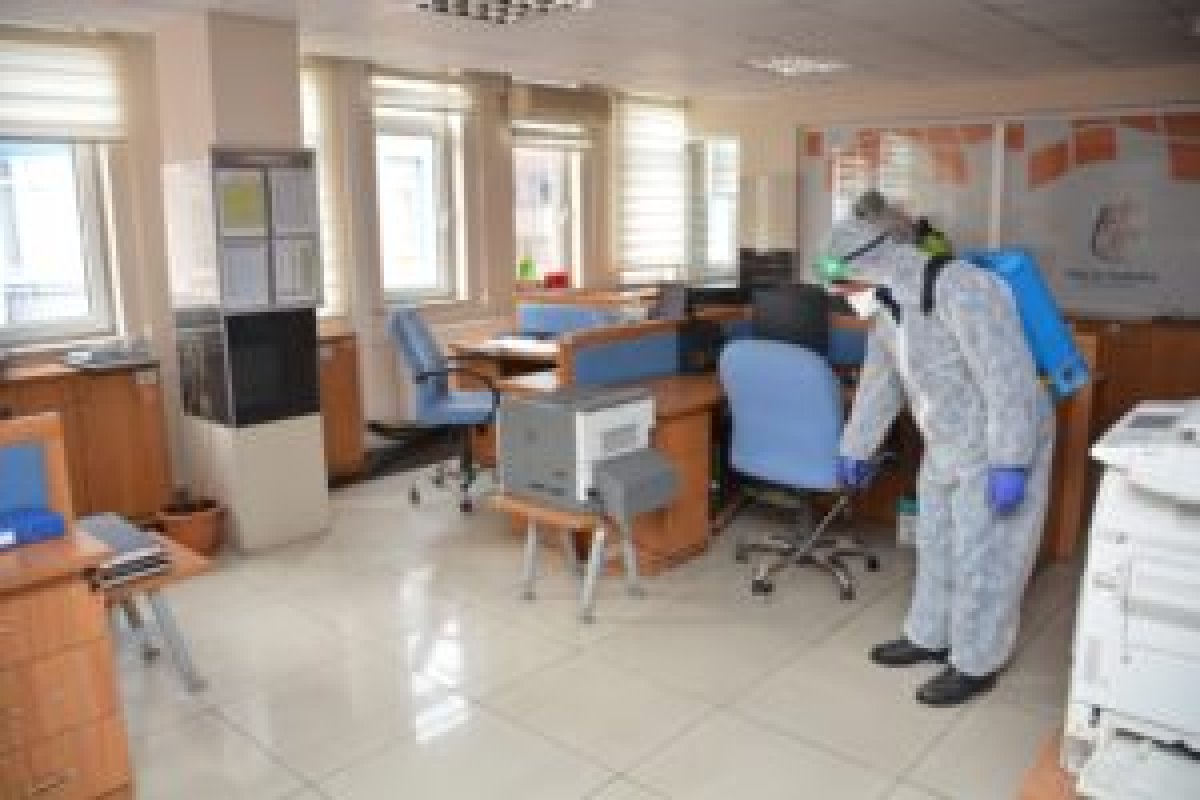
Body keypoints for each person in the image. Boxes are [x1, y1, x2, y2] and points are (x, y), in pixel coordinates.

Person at [817, 215, 1055, 707]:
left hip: (997, 439)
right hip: (946, 440)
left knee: (983, 555)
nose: (846, 297)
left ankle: (976, 662)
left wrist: (1011, 459)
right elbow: (880, 383)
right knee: (936, 540)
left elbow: (1008, 378)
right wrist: (855, 447)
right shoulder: (887, 308)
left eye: (847, 285)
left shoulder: (963, 289)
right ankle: (929, 635)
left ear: (872, 263)